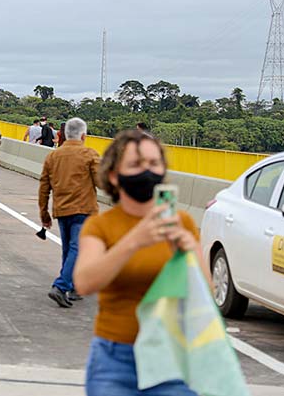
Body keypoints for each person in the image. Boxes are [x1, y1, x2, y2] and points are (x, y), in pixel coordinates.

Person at [74, 129, 203, 396]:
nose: (147, 172)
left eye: (154, 164)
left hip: (173, 356)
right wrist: (135, 240)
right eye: (136, 165)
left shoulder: (182, 223)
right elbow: (85, 282)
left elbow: (206, 294)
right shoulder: (100, 226)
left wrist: (188, 252)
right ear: (113, 175)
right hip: (114, 359)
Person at [38, 117, 100, 308]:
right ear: (84, 135)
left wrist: (44, 213)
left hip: (61, 209)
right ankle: (61, 285)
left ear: (64, 135)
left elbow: (44, 186)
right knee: (78, 248)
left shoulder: (53, 156)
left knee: (69, 249)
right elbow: (101, 182)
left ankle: (72, 287)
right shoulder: (89, 154)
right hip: (84, 209)